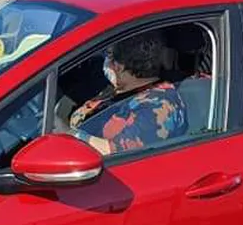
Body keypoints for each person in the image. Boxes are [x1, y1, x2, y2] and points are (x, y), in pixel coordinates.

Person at [60, 30, 188, 155]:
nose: (106, 62)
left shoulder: (158, 106)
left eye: (109, 56)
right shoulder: (118, 88)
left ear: (119, 66)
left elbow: (117, 153)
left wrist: (70, 135)